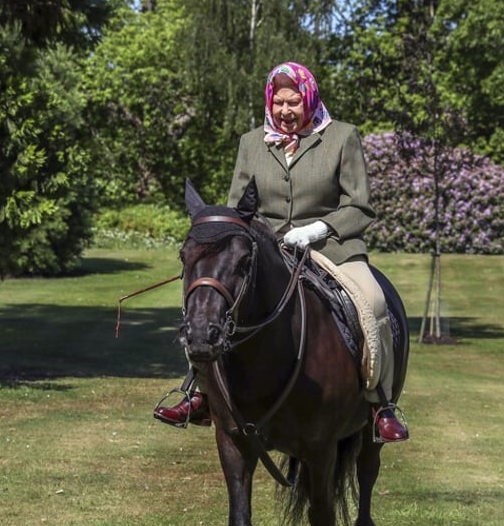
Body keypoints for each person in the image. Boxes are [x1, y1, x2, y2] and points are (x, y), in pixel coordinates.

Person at [155, 61, 408, 443]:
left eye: (294, 102)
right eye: (279, 103)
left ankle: (380, 403)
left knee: (372, 301)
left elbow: (359, 205)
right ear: (269, 102)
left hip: (332, 247)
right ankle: (200, 393)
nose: (286, 111)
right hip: (267, 249)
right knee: (211, 303)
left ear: (309, 99)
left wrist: (318, 229)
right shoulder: (250, 143)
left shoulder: (341, 137)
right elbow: (239, 208)